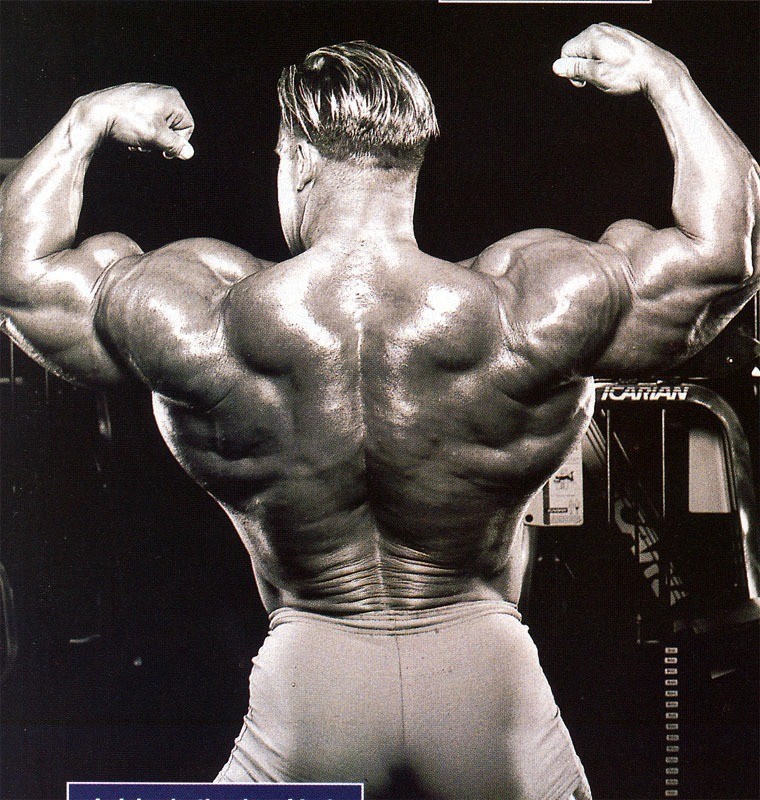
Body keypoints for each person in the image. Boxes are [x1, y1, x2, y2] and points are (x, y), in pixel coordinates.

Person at [0, 22, 757, 800]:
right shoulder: (528, 307)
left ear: (298, 162)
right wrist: (666, 76)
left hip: (311, 676)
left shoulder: (202, 316)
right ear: (411, 162)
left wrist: (91, 117)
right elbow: (723, 255)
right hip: (485, 675)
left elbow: (19, 276)